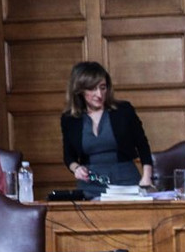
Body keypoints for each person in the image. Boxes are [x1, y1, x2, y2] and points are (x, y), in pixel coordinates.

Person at [61, 61, 153, 194]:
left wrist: (146, 177)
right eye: (92, 89)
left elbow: (142, 145)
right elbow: (69, 156)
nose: (99, 94)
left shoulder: (124, 110)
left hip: (126, 182)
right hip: (90, 185)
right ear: (80, 90)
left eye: (103, 88)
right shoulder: (70, 119)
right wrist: (76, 169)